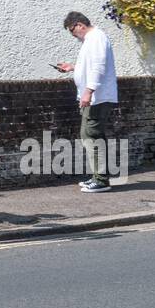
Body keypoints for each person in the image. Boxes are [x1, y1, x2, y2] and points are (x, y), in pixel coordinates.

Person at [55, 11, 118, 193]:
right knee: (92, 135)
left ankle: (101, 180)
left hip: (98, 97)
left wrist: (88, 91)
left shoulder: (96, 38)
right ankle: (99, 176)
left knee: (91, 135)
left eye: (72, 32)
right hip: (95, 97)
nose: (74, 36)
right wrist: (72, 67)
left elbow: (99, 66)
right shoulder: (92, 39)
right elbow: (91, 65)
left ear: (79, 25)